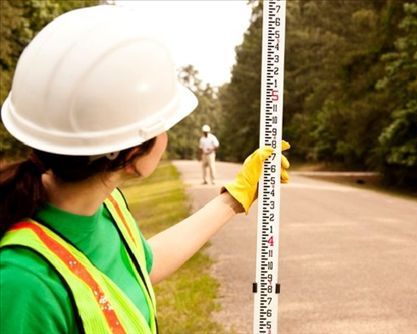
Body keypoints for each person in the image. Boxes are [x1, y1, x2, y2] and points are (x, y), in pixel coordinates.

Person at [0, 6, 289, 333]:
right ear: (133, 152)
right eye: (164, 123)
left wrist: (233, 199)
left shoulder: (108, 205)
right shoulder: (23, 287)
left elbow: (142, 264)